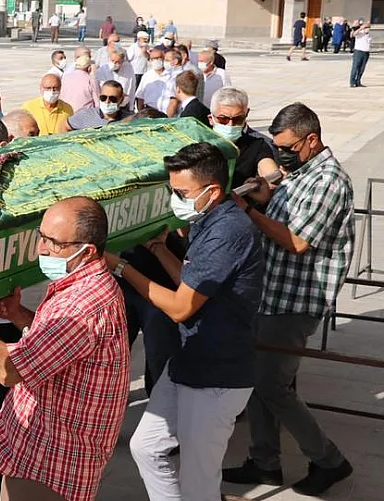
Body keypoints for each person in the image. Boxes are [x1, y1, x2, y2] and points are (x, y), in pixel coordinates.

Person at [0, 197, 129, 501]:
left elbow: (9, 369)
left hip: (52, 464)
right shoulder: (88, 285)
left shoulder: (81, 305)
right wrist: (18, 315)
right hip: (43, 449)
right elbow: (59, 346)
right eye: (41, 236)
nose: (41, 249)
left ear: (87, 251)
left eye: (53, 243)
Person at [103, 143, 262, 501]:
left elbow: (179, 307)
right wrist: (159, 249)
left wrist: (121, 267)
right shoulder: (207, 221)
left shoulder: (227, 232)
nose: (175, 199)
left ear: (213, 191)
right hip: (188, 363)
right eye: (171, 190)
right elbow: (191, 283)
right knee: (146, 447)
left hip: (217, 378)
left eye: (182, 193)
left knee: (198, 480)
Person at [224, 103, 355, 496]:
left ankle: (329, 460)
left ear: (311, 140)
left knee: (274, 386)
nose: (280, 154)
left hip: (297, 300)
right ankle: (265, 463)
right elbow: (282, 217)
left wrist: (246, 209)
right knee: (261, 382)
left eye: (287, 147)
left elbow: (296, 241)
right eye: (277, 146)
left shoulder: (328, 180)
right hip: (271, 293)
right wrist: (262, 198)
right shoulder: (300, 172)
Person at [208, 88, 277, 190]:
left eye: (238, 119)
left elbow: (270, 172)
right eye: (223, 119)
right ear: (211, 119)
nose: (230, 125)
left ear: (246, 114)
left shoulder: (256, 145)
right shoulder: (200, 142)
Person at [62, 80, 132, 131]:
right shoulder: (85, 115)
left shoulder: (131, 118)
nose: (107, 101)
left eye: (112, 98)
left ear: (121, 99)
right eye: (103, 98)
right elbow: (64, 126)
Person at [135, 48, 172, 113]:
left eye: (158, 58)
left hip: (166, 111)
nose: (155, 61)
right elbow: (140, 97)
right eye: (153, 59)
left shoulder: (171, 75)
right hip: (149, 111)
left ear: (163, 58)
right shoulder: (147, 76)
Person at [350, 19, 371, 88]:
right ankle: (352, 82)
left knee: (362, 68)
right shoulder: (360, 33)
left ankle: (358, 81)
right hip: (358, 52)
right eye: (367, 28)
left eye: (368, 28)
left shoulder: (368, 35)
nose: (368, 29)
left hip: (366, 52)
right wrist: (361, 28)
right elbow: (354, 34)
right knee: (355, 67)